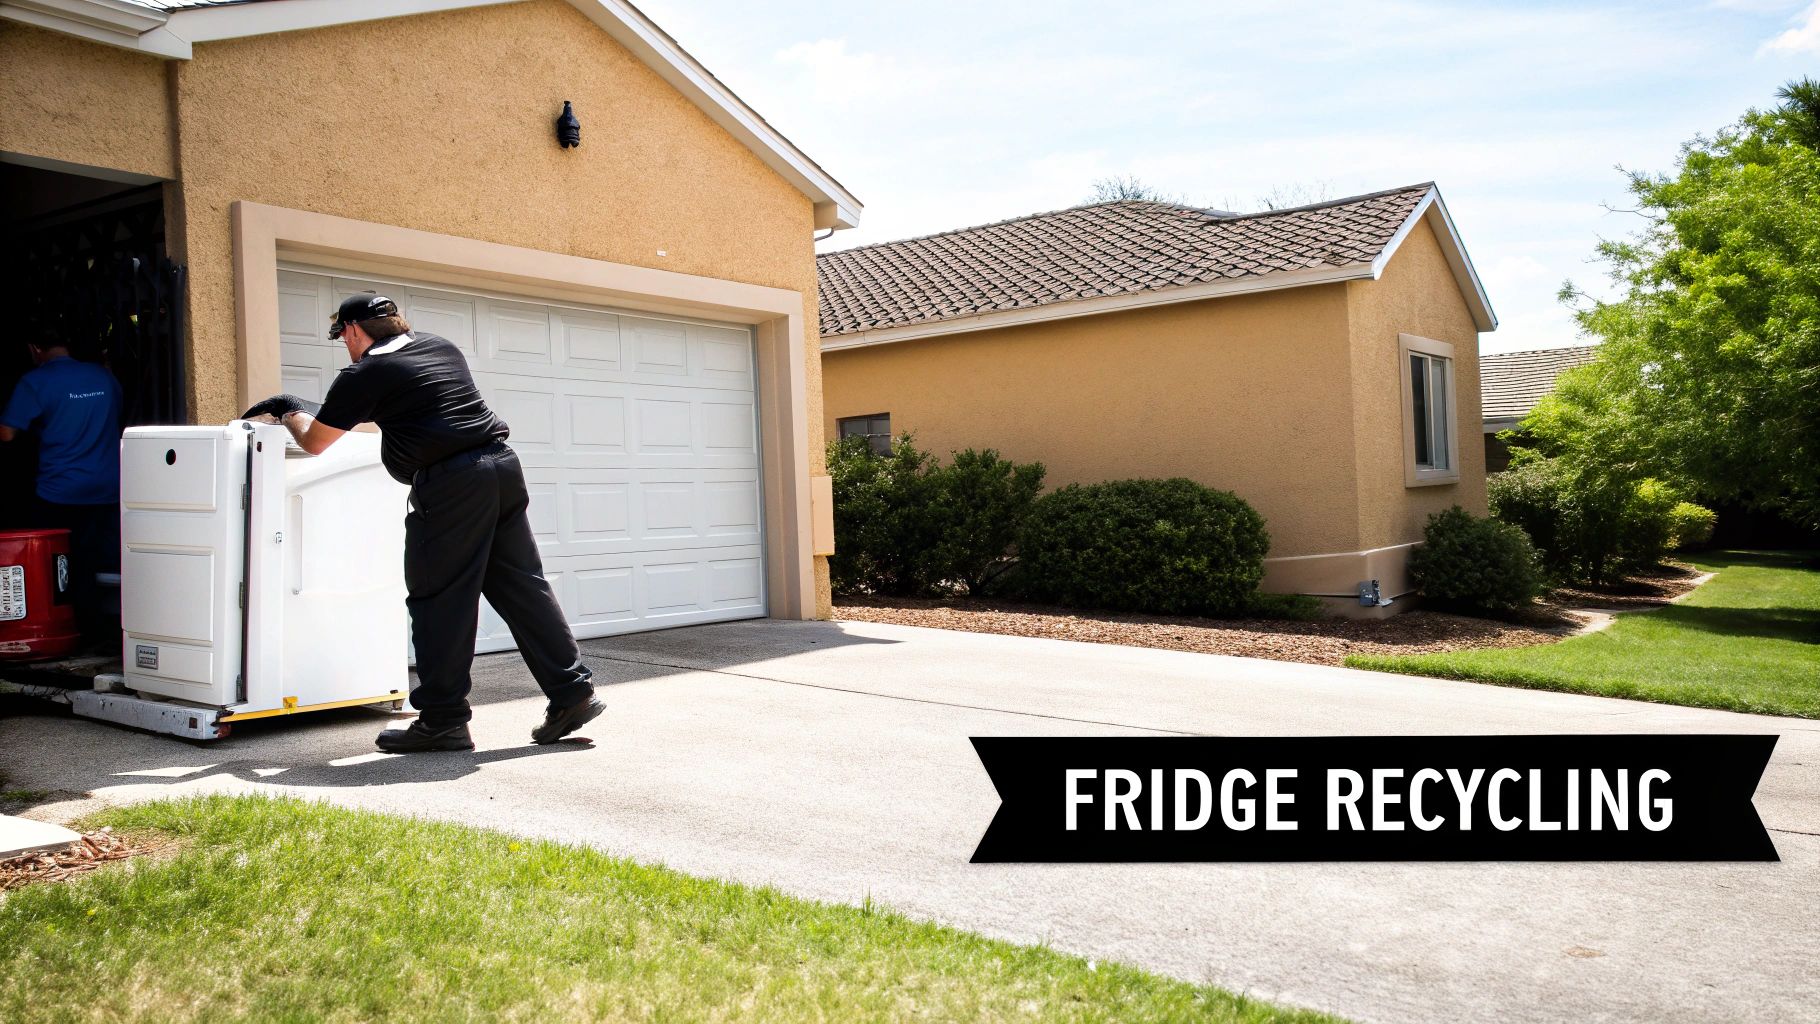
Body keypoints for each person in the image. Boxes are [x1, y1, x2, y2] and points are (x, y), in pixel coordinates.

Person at [245, 293, 601, 752]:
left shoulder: (366, 373)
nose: (343, 344)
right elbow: (409, 412)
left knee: (439, 600)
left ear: (353, 330)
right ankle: (572, 693)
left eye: (340, 335)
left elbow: (315, 441)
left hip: (451, 487)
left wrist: (288, 406)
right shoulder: (439, 346)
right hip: (501, 469)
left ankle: (443, 720)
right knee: (522, 586)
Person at [0, 331, 123, 642]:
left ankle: (70, 629)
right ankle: (108, 630)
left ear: (34, 348)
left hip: (59, 491)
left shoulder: (35, 381)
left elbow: (6, 435)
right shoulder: (104, 377)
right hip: (108, 487)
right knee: (103, 559)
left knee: (58, 563)